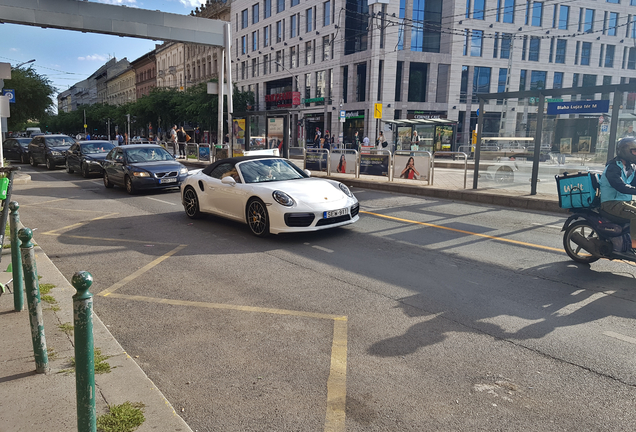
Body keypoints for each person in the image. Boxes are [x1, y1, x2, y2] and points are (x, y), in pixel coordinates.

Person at [599, 137, 636, 253]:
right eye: (634, 151)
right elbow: (620, 186)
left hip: (624, 202)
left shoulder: (630, 167)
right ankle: (634, 245)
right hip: (611, 203)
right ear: (625, 151)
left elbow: (634, 184)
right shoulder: (613, 168)